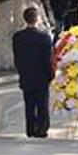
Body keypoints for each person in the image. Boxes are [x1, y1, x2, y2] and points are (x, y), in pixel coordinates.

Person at [12, 8, 54, 138]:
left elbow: (17, 56)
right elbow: (47, 58)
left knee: (29, 104)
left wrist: (20, 71)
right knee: (42, 103)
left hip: (26, 74)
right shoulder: (44, 37)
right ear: (37, 19)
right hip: (41, 74)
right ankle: (42, 129)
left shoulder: (18, 37)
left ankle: (31, 129)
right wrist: (50, 74)